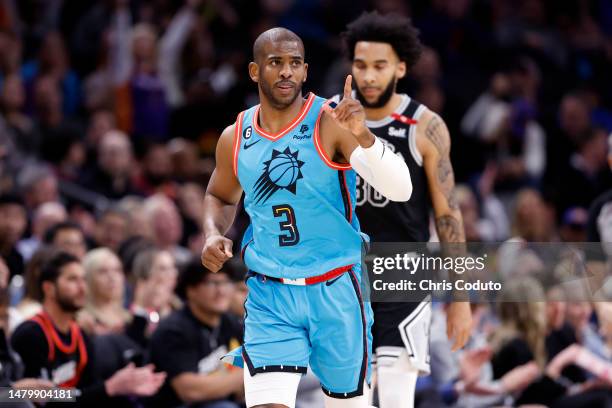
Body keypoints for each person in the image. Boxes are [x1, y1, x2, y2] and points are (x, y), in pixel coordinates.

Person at [201, 27, 412, 408]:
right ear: (254, 71)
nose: (286, 72)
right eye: (275, 63)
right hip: (271, 290)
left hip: (337, 286)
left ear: (304, 71)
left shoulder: (331, 121)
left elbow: (401, 189)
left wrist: (363, 135)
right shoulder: (235, 136)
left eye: (294, 63)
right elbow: (218, 195)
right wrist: (213, 232)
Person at [338, 12, 472, 408]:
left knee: (397, 399)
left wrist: (460, 300)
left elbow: (448, 216)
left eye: (380, 66)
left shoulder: (423, 125)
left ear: (400, 67)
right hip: (342, 273)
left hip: (404, 274)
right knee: (349, 399)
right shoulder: (328, 119)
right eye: (361, 66)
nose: (369, 77)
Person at [10, 251, 166, 407]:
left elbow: (85, 392)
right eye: (72, 279)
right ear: (49, 288)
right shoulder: (31, 334)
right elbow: (29, 396)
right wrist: (109, 387)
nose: (82, 287)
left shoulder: (79, 334)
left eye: (83, 279)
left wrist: (118, 386)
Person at [149, 259, 243, 407]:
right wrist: (244, 376)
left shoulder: (229, 322)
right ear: (191, 290)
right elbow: (190, 391)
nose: (221, 291)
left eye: (226, 283)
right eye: (213, 283)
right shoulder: (173, 330)